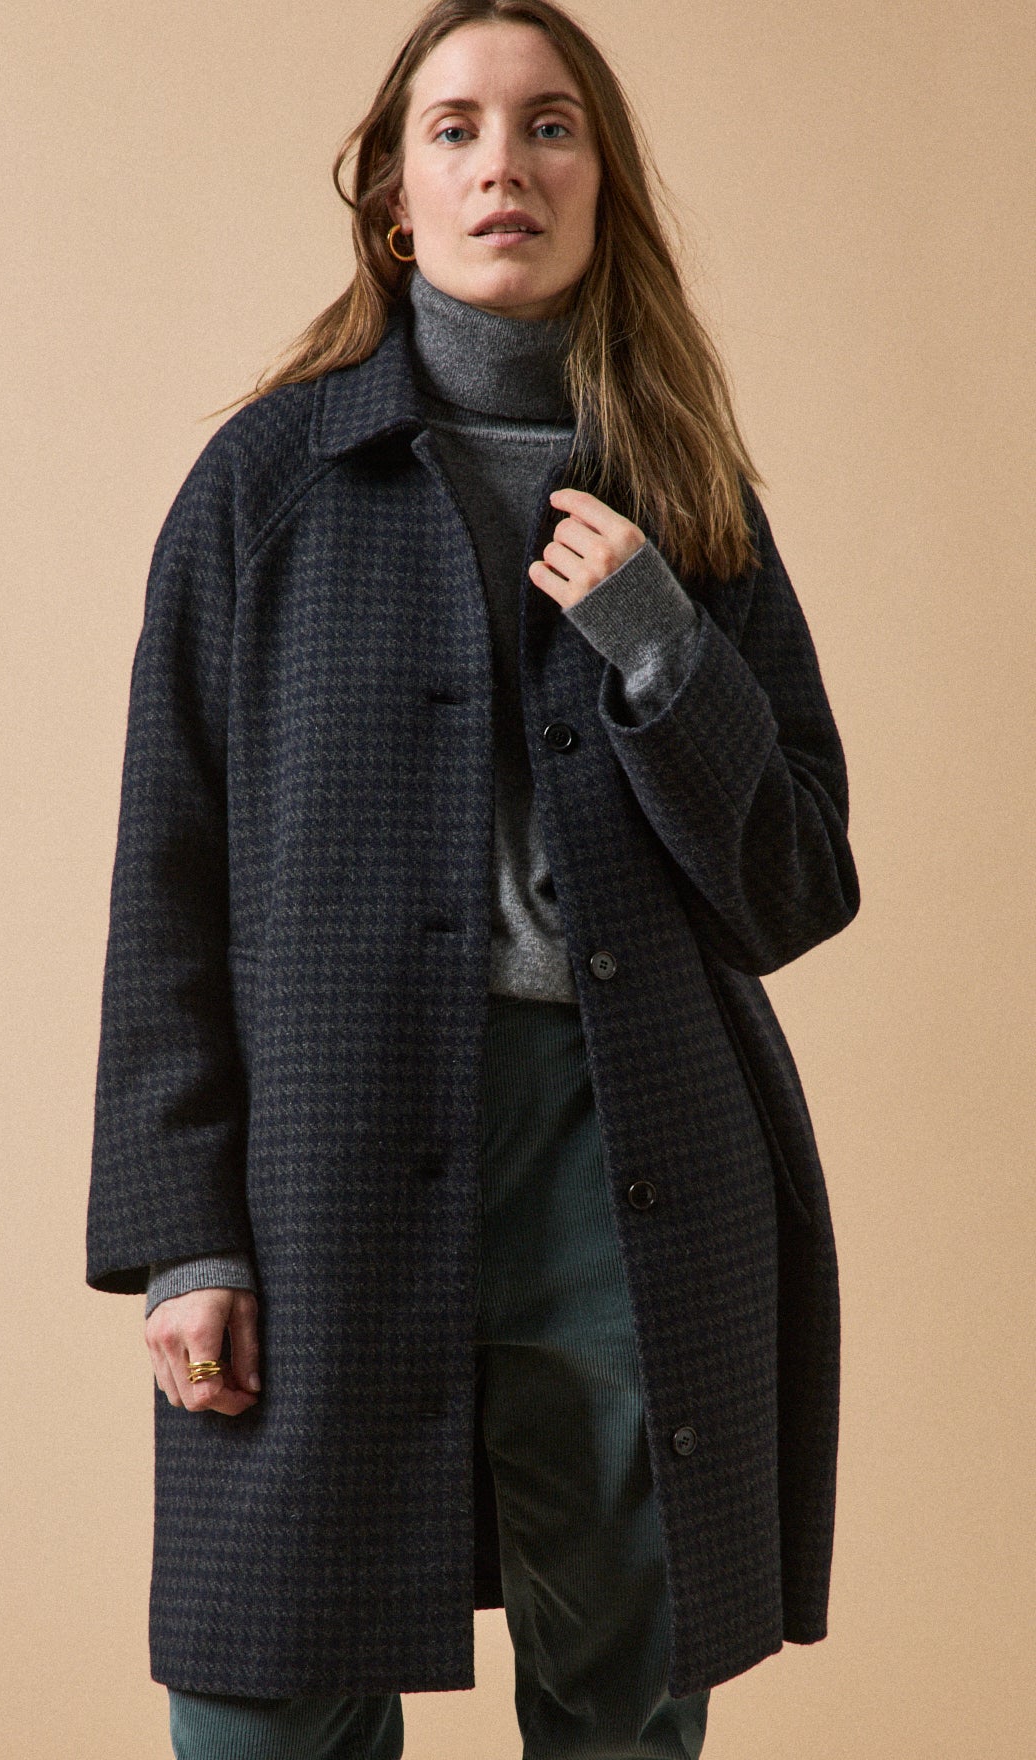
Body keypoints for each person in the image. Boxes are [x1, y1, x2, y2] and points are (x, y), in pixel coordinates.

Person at [85, 3, 860, 1757]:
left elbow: (799, 886)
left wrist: (665, 650)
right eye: (456, 128)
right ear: (394, 198)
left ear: (602, 185)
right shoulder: (267, 487)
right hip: (324, 1159)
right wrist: (182, 1230)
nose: (504, 161)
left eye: (550, 125)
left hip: (632, 1153)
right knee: (266, 1700)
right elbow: (167, 879)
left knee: (624, 1709)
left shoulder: (693, 502)